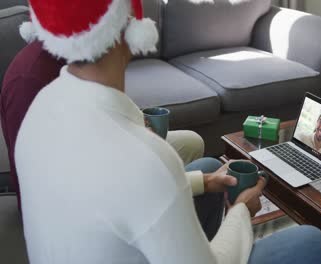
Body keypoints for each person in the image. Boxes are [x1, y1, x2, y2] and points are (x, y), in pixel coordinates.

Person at [14, 0, 321, 263]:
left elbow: (108, 195)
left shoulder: (40, 108)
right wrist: (240, 213)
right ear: (128, 25)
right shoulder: (145, 160)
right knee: (312, 243)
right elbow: (134, 184)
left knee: (210, 169)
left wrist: (202, 182)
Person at [1, 41, 204, 215]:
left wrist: (132, 126)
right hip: (70, 202)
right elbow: (54, 180)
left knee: (191, 142)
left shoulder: (77, 54)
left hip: (98, 156)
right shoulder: (29, 81)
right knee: (208, 171)